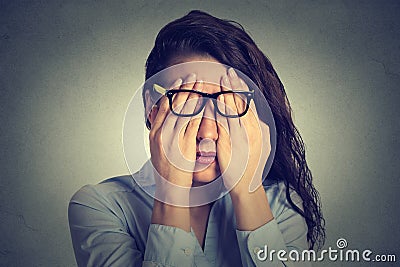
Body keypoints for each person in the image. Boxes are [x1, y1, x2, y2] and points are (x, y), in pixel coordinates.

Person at [68, 10, 325, 267]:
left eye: (229, 104)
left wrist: (249, 194)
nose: (208, 133)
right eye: (186, 102)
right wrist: (172, 192)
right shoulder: (100, 206)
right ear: (151, 106)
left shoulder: (280, 202)